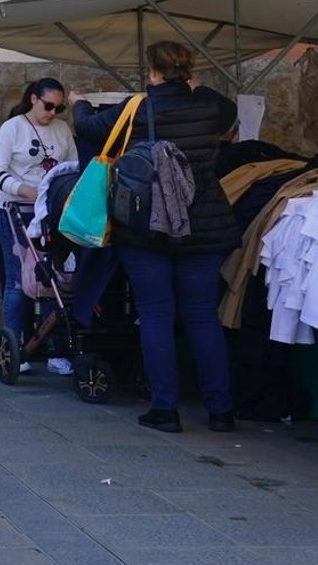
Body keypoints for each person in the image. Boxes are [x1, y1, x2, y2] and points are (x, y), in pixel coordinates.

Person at [72, 40, 238, 435]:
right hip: (203, 227)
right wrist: (194, 85)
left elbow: (87, 127)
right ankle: (220, 410)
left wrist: (78, 101)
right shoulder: (210, 104)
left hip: (147, 229)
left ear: (152, 72)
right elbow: (229, 113)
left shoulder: (137, 108)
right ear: (188, 70)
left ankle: (165, 409)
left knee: (156, 314)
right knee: (202, 316)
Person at [0, 77, 77, 375]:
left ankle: (55, 349)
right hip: (16, 210)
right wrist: (26, 190)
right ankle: (17, 348)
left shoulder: (62, 130)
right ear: (34, 99)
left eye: (59, 108)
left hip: (51, 212)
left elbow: (72, 167)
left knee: (53, 280)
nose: (52, 112)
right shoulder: (12, 129)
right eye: (48, 105)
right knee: (18, 280)